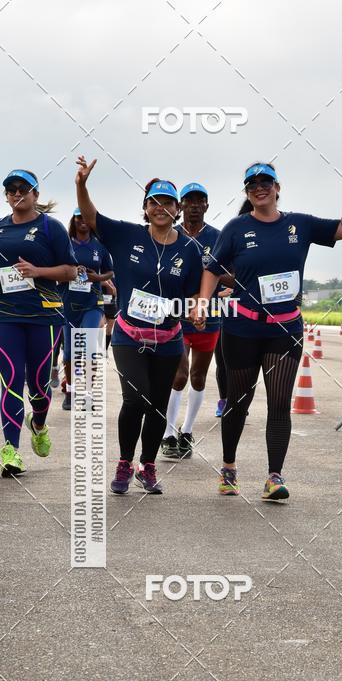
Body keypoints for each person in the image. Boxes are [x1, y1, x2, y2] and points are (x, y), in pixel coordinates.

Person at [193, 157, 342, 501]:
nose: (259, 188)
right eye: (253, 184)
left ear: (277, 189)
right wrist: (202, 301)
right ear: (248, 191)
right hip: (242, 328)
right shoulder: (236, 228)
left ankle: (274, 476)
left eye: (265, 183)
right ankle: (228, 467)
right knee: (238, 403)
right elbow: (212, 267)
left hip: (285, 330)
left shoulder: (299, 225)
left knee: (279, 404)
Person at [75, 156, 205, 495]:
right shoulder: (126, 235)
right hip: (129, 336)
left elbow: (192, 294)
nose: (160, 208)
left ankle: (147, 466)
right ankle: (124, 462)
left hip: (169, 338)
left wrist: (196, 309)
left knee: (159, 404)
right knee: (136, 399)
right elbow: (90, 217)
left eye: (167, 203)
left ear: (177, 210)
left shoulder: (189, 250)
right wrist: (81, 185)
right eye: (154, 202)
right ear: (145, 208)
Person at [0, 169, 77, 477]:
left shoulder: (51, 227)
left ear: (35, 194)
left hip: (44, 316)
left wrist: (37, 271)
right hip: (6, 316)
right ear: (6, 195)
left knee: (40, 386)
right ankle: (11, 449)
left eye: (24, 188)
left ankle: (39, 423)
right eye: (11, 189)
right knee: (12, 378)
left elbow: (71, 272)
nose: (17, 193)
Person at [161, 182, 224, 459]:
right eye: (190, 200)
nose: (195, 205)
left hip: (209, 318)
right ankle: (168, 433)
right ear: (181, 205)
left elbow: (231, 274)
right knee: (179, 375)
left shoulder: (219, 238)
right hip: (177, 315)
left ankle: (186, 431)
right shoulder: (169, 236)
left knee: (198, 377)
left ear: (207, 205)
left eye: (201, 201)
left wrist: (215, 280)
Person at [61, 208, 113, 410]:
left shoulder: (99, 246)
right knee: (69, 354)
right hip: (68, 303)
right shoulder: (65, 243)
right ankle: (71, 391)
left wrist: (97, 278)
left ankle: (90, 394)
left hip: (92, 303)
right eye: (78, 217)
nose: (82, 221)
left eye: (85, 217)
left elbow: (109, 271)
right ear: (73, 220)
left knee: (90, 348)